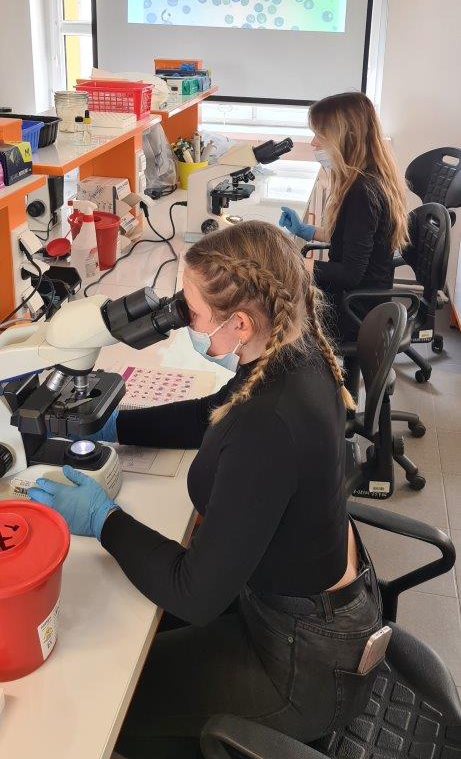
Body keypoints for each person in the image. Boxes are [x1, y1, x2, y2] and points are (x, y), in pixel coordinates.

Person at [28, 220, 382, 757]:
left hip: (302, 663)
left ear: (240, 323)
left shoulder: (269, 424)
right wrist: (117, 424)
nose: (179, 321)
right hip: (307, 605)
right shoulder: (292, 351)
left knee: (113, 703)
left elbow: (195, 594)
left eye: (189, 311)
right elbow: (211, 414)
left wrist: (103, 519)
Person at [280, 91, 408, 362]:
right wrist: (307, 231)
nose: (313, 143)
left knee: (276, 317)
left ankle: (304, 385)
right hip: (365, 300)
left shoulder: (362, 191)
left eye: (320, 135)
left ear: (345, 137)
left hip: (355, 309)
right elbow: (356, 238)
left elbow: (350, 274)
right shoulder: (371, 177)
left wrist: (292, 263)